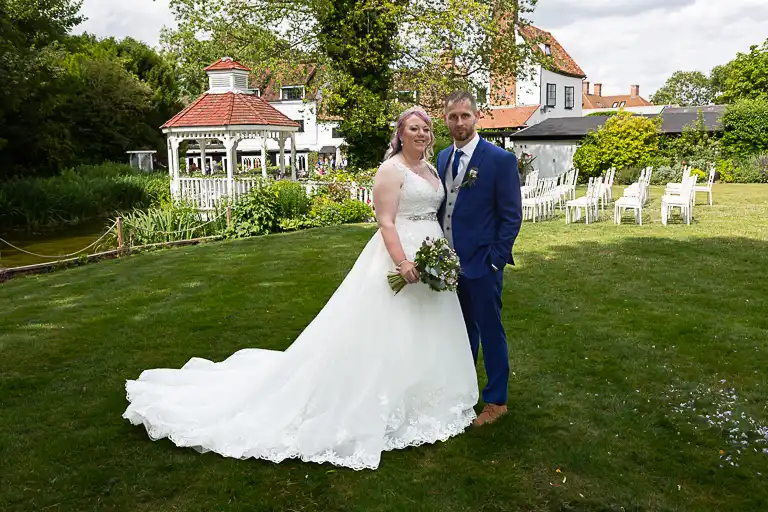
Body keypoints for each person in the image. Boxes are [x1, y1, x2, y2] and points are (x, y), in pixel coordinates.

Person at [123, 106, 479, 471]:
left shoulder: (431, 169)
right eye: (414, 128)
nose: (421, 134)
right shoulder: (391, 170)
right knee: (391, 329)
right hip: (398, 254)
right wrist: (402, 261)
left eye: (426, 129)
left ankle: (426, 397)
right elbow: (385, 221)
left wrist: (438, 256)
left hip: (432, 251)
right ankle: (380, 399)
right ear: (400, 134)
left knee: (426, 328)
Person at [436, 91, 522, 426]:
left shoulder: (500, 160)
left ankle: (496, 401)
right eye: (453, 117)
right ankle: (463, 391)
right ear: (445, 119)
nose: (459, 122)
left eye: (465, 116)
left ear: (476, 117)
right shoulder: (443, 157)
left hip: (483, 263)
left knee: (490, 330)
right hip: (449, 265)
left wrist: (495, 259)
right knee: (461, 331)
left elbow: (511, 217)